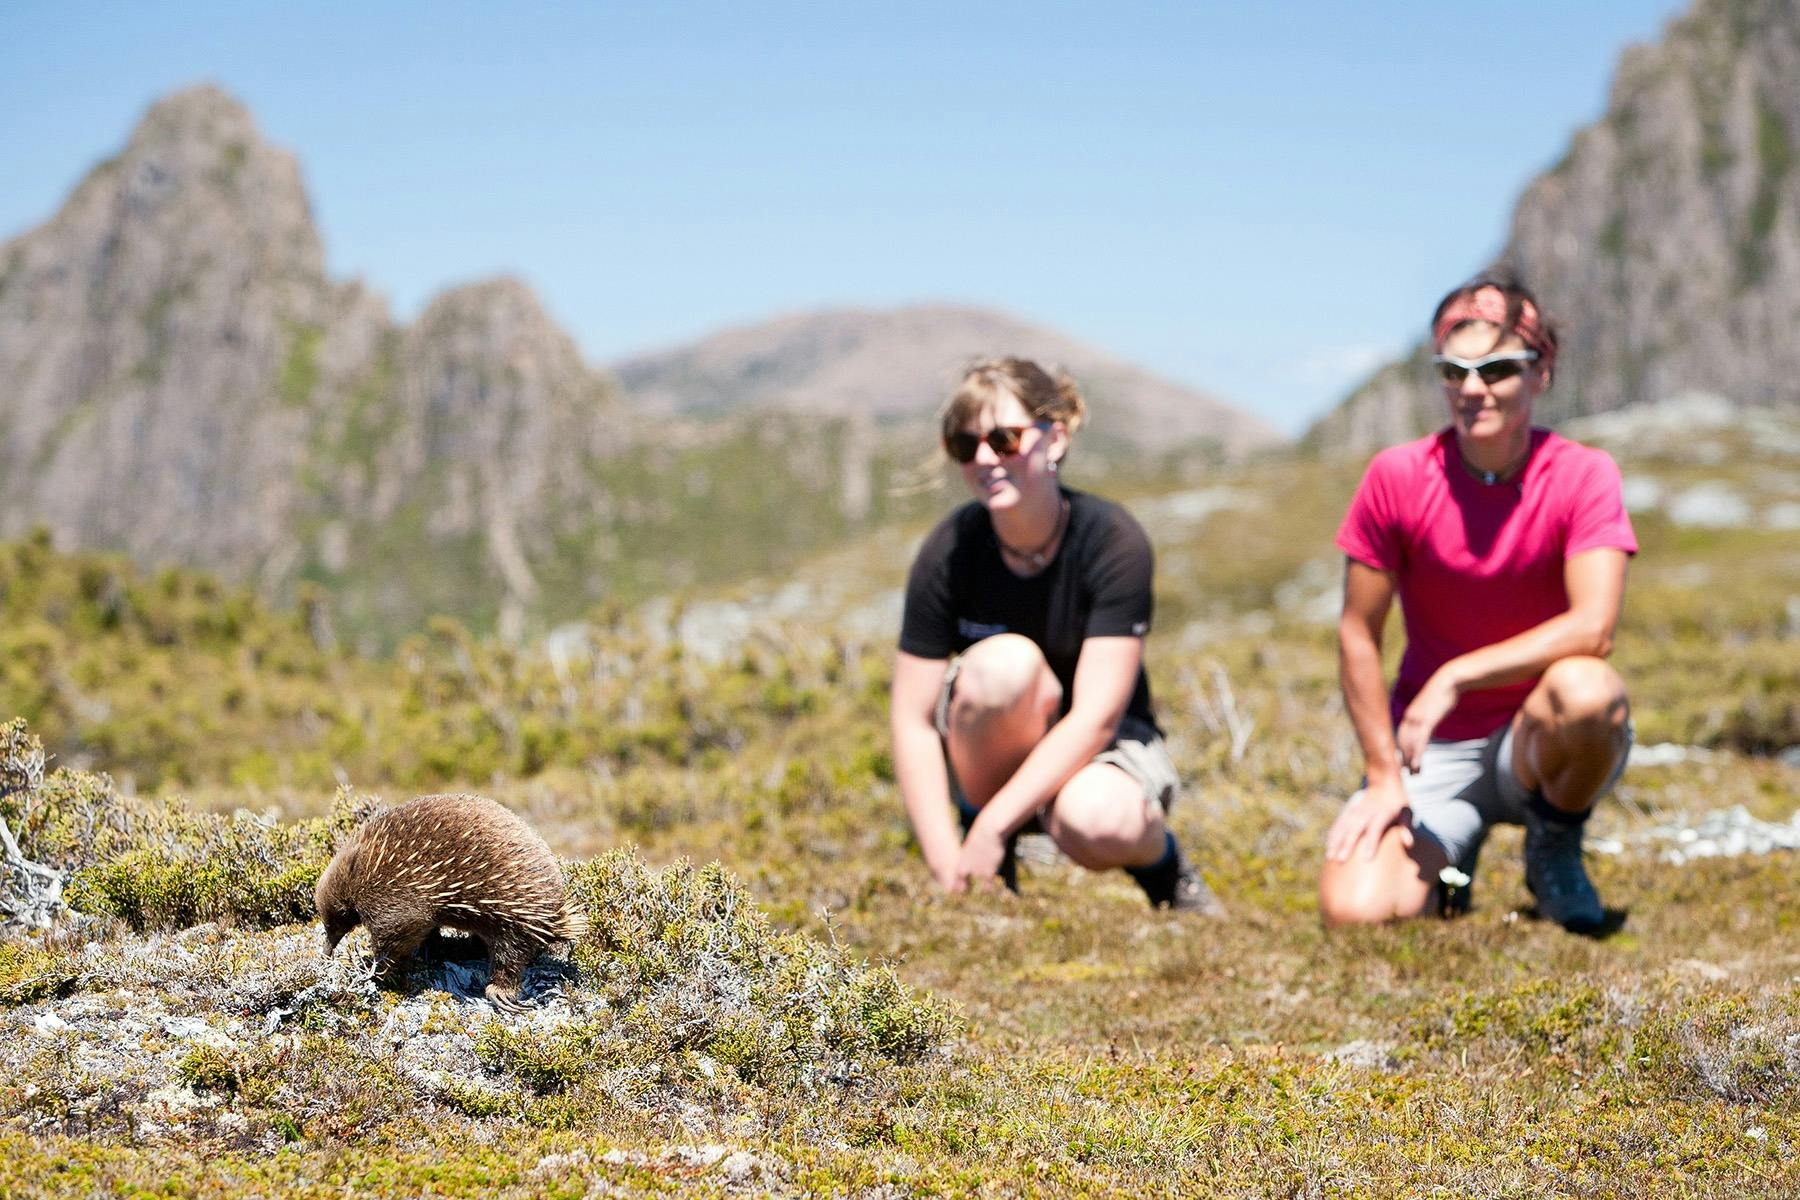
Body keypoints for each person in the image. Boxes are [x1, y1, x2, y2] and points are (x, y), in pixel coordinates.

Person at [1319, 274, 1637, 934]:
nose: (1472, 389)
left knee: (1590, 692)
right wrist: (1382, 774)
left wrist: (1456, 676)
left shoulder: (1583, 474)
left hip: (1536, 735)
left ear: (1540, 372)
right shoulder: (1396, 477)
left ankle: (1553, 842)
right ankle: (1451, 868)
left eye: (1496, 369)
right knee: (1354, 912)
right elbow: (1357, 632)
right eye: (1453, 371)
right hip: (1431, 747)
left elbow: (1594, 626)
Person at [891, 357, 1222, 913]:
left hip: (1099, 747)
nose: (984, 459)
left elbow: (1096, 718)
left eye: (1004, 439)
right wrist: (945, 859)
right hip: (988, 756)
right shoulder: (947, 551)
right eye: (965, 445)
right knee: (1001, 668)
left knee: (1099, 820)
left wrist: (992, 827)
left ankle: (1166, 871)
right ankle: (985, 881)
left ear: (1056, 438)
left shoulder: (1112, 540)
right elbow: (912, 719)